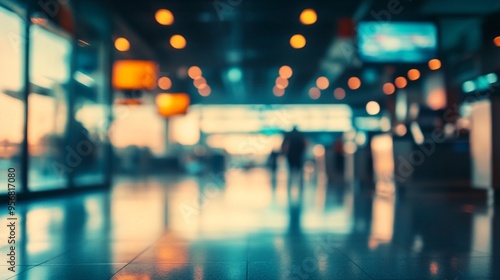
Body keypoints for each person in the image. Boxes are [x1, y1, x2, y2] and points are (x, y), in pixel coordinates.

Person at [281, 126, 307, 195]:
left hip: (291, 155)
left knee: (290, 170)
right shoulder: (300, 135)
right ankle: (301, 185)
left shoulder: (289, 134)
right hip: (299, 155)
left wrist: (283, 153)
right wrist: (303, 152)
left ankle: (290, 184)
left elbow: (283, 144)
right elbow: (304, 144)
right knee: (300, 171)